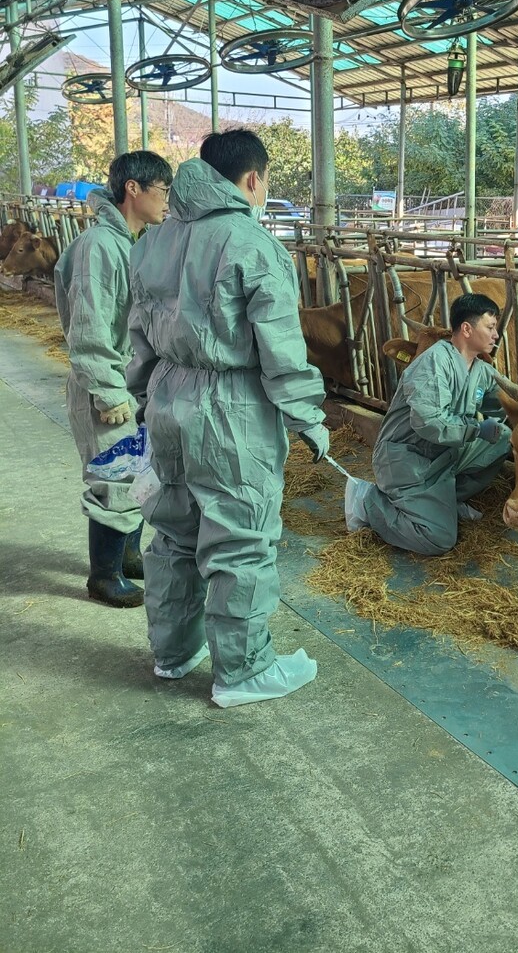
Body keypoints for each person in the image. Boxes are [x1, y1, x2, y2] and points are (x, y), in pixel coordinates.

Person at [127, 129, 328, 709]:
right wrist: (307, 417)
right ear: (252, 180)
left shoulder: (155, 240)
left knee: (173, 531)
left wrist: (146, 398)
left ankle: (172, 652)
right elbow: (282, 351)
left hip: (167, 395)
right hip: (230, 405)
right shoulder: (252, 242)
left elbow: (137, 335)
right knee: (239, 538)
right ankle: (241, 670)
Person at [54, 150, 173, 609]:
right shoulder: (100, 246)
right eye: (163, 191)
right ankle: (103, 575)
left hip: (130, 382)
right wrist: (107, 391)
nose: (168, 201)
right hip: (105, 385)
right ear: (133, 189)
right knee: (114, 476)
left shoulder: (132, 241)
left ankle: (125, 555)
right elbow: (89, 326)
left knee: (138, 471)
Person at [345, 293, 511, 555]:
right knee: (438, 539)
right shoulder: (434, 362)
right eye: (490, 327)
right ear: (467, 329)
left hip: (442, 455)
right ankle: (367, 502)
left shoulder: (482, 371)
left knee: (502, 438)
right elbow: (429, 423)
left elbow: (501, 403)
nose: (496, 335)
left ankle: (448, 500)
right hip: (408, 460)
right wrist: (477, 428)